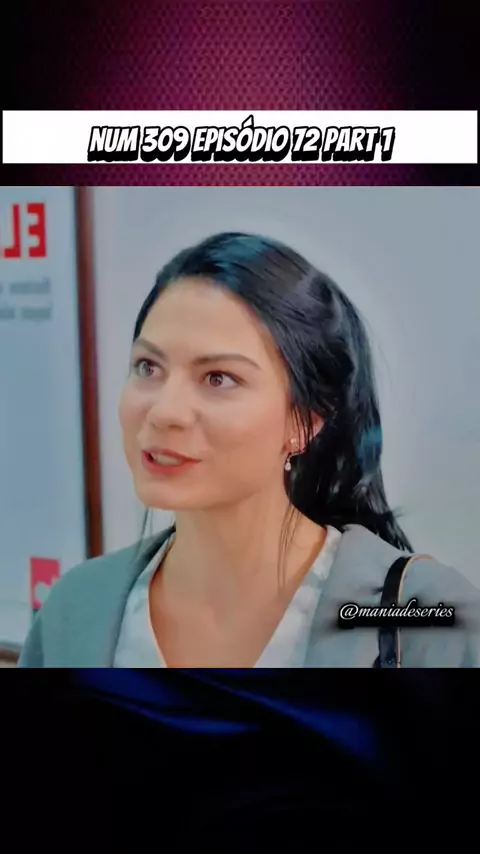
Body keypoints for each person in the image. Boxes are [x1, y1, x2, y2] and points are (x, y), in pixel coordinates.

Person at [18, 232, 480, 668]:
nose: (163, 412)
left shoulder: (424, 620)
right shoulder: (74, 612)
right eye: (148, 366)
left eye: (218, 378)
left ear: (306, 421)